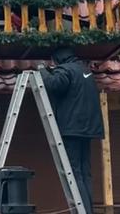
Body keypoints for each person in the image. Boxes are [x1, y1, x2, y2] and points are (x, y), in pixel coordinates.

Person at [37, 47, 104, 214]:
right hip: (87, 129)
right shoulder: (85, 70)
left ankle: (83, 211)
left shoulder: (66, 70)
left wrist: (42, 71)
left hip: (72, 129)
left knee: (74, 173)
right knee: (85, 172)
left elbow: (54, 85)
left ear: (58, 59)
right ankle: (88, 210)